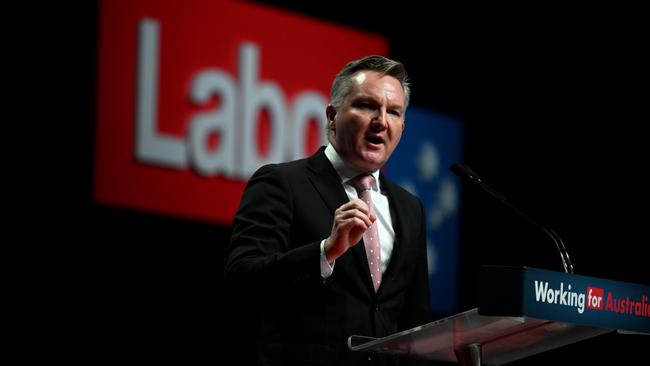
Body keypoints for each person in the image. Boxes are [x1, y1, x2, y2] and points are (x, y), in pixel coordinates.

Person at [224, 55, 433, 365]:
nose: (381, 121)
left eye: (393, 112)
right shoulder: (283, 183)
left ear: (402, 126)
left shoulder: (410, 207)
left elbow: (417, 320)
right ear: (332, 115)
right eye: (366, 106)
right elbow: (242, 279)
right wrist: (324, 252)